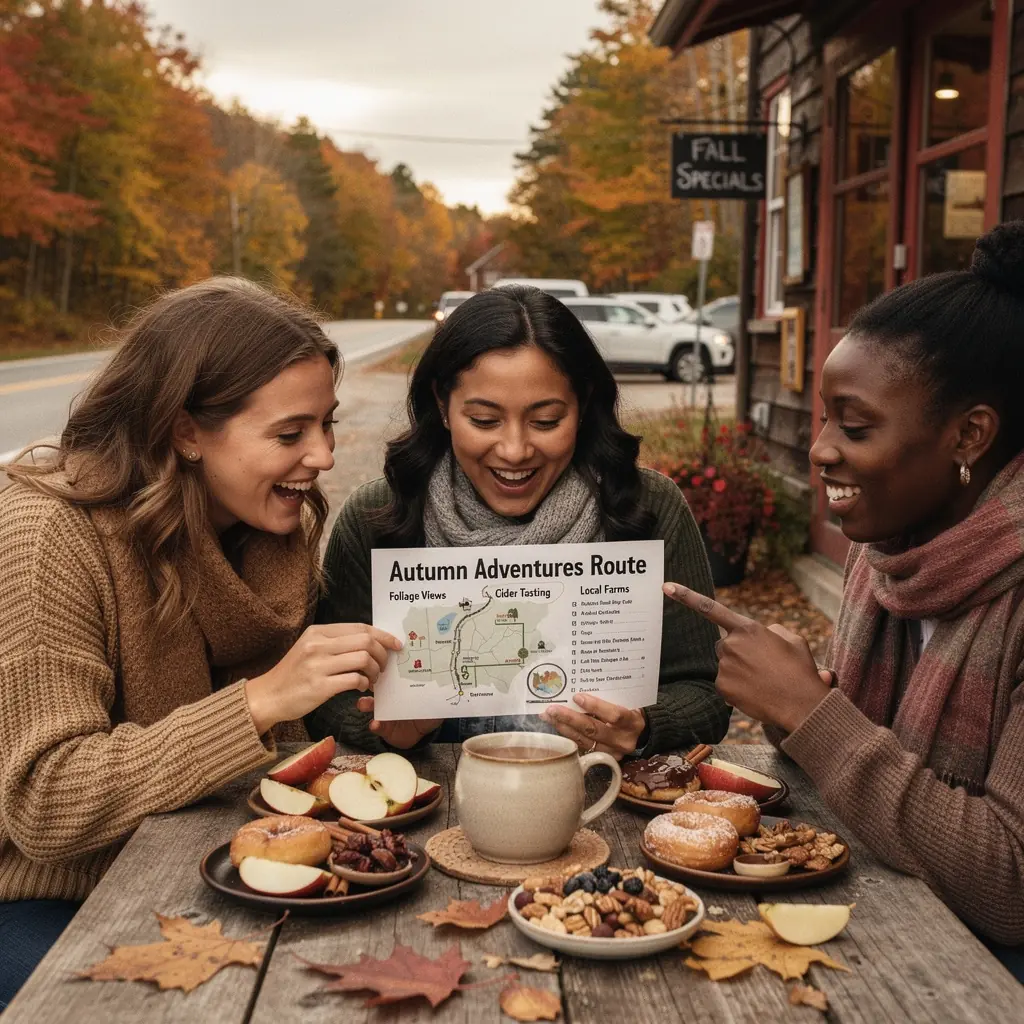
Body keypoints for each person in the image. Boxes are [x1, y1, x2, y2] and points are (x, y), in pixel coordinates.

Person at [0, 278, 400, 1008]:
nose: (324, 457)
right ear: (186, 431)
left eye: (327, 424)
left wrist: (371, 722)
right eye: (290, 434)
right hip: (48, 897)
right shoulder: (47, 532)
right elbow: (46, 799)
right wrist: (260, 702)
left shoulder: (267, 529)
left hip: (212, 863)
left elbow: (281, 759)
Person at [666, 221, 1024, 971]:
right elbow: (854, 776)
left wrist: (811, 713)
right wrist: (794, 701)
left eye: (854, 426)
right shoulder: (888, 548)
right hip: (883, 918)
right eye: (825, 416)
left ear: (970, 436)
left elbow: (1010, 884)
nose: (821, 446)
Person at [308, 284, 729, 757]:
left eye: (546, 421)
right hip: (428, 806)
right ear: (443, 406)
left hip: (602, 799)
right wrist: (380, 726)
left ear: (584, 405)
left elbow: (707, 692)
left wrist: (646, 726)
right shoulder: (377, 517)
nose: (514, 450)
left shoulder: (648, 508)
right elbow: (326, 697)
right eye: (484, 421)